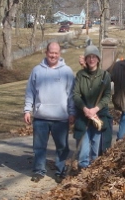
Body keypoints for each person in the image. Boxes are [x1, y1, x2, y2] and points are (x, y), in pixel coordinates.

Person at [24, 42, 75, 183]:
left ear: (60, 54)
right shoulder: (37, 71)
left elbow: (72, 94)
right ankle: (39, 170)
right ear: (46, 52)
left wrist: (72, 112)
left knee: (62, 147)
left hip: (61, 118)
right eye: (51, 52)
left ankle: (60, 171)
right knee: (39, 147)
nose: (53, 55)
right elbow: (30, 92)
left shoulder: (67, 71)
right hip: (41, 117)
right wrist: (27, 109)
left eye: (56, 53)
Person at [72, 45, 111, 171]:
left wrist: (95, 109)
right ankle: (82, 171)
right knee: (83, 150)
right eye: (89, 57)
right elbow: (76, 94)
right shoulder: (80, 75)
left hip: (98, 116)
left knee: (96, 149)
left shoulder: (105, 76)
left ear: (98, 59)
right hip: (83, 117)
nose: (92, 59)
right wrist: (85, 109)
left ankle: (93, 173)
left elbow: (107, 96)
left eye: (94, 56)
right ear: (86, 59)